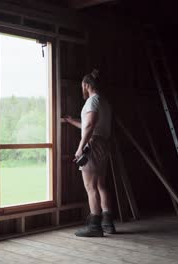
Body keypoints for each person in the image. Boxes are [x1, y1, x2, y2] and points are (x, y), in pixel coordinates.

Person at [62, 69, 115, 237]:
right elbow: (89, 125)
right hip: (103, 144)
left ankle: (94, 226)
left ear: (86, 85)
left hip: (92, 144)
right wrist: (71, 121)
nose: (82, 89)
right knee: (100, 185)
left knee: (90, 187)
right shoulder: (104, 102)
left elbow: (90, 126)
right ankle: (108, 223)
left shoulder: (92, 101)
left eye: (82, 86)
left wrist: (80, 147)